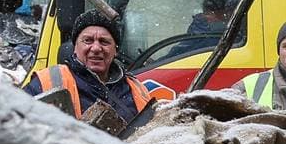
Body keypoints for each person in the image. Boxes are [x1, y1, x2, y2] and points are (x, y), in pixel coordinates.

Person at [24, 10, 174, 125]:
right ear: (75, 47)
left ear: (115, 50)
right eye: (88, 40)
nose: (96, 48)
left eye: (104, 42)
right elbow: (16, 126)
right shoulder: (48, 81)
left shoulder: (137, 89)